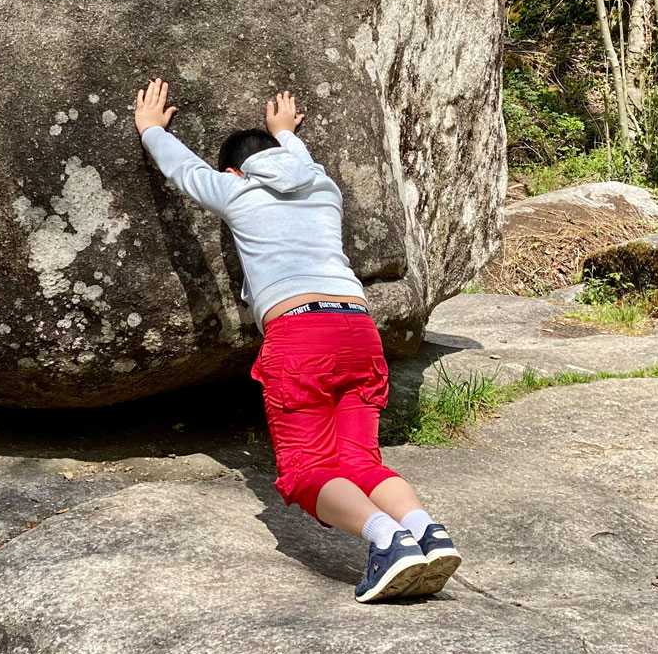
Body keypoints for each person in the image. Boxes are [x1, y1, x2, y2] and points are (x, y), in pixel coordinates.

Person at [134, 77, 461, 603]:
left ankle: (388, 542)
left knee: (305, 468)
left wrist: (151, 129)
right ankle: (426, 530)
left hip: (300, 334)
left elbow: (185, 170)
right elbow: (297, 166)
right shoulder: (323, 187)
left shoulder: (236, 189)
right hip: (357, 328)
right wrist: (285, 133)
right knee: (361, 460)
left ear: (233, 171)